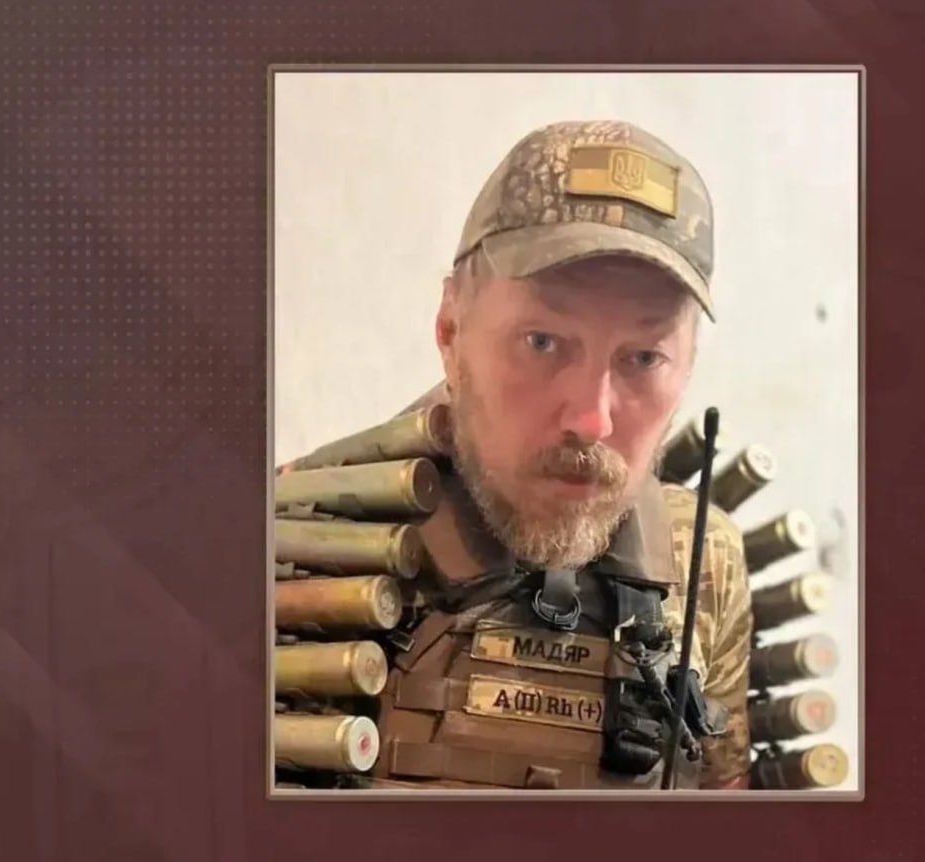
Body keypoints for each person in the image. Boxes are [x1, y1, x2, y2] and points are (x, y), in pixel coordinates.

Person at [290, 120, 753, 790]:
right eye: (542, 342)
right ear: (450, 331)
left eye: (644, 358)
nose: (591, 420)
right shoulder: (302, 549)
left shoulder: (703, 561)